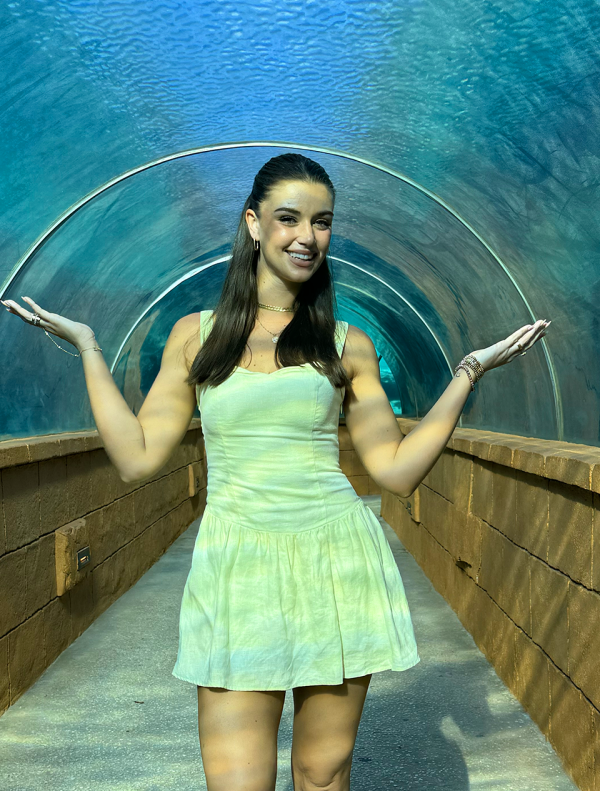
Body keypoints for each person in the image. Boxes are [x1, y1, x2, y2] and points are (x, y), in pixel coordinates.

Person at [1, 153, 549, 791]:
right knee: (237, 781)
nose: (306, 236)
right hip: (237, 566)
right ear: (254, 224)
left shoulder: (347, 344)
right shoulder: (195, 336)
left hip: (335, 559)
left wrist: (466, 374)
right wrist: (92, 350)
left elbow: (396, 472)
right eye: (289, 218)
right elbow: (137, 456)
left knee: (322, 773)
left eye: (322, 222)